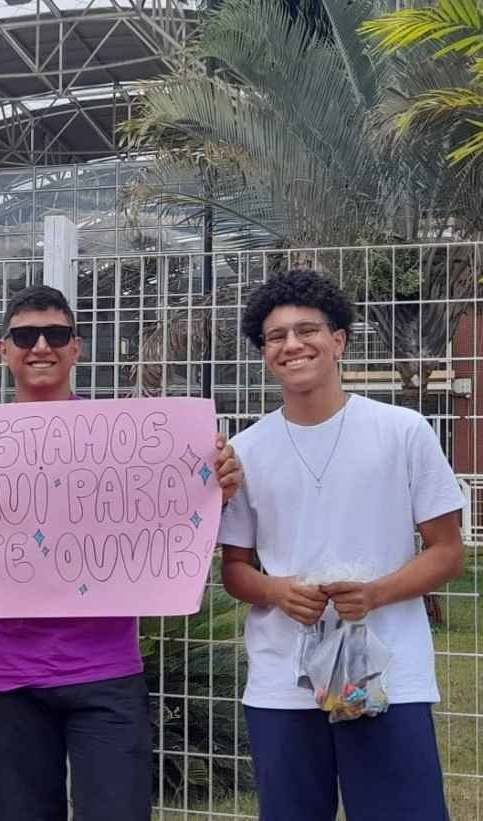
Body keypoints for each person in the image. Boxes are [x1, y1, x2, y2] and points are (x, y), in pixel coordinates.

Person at [0, 285, 243, 821]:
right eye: (25, 335)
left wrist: (213, 485)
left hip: (106, 676)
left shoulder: (129, 446)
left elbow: (177, 518)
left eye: (56, 334)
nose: (42, 345)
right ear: (4, 350)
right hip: (8, 682)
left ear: (76, 348)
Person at [218, 269, 464, 821]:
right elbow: (234, 569)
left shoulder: (402, 431)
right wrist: (278, 591)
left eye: (307, 330)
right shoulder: (245, 451)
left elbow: (448, 551)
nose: (293, 345)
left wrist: (375, 593)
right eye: (275, 337)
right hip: (285, 679)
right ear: (264, 353)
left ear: (339, 341)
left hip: (388, 677)